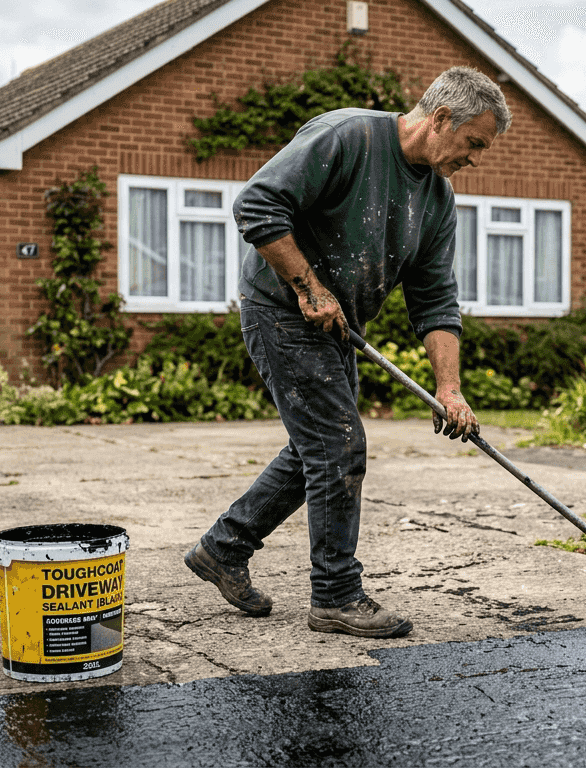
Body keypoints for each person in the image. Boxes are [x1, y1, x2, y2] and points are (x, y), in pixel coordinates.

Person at [184, 66, 513, 639]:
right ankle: (335, 595)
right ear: (440, 119)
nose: (476, 157)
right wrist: (308, 287)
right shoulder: (348, 137)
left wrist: (450, 388)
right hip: (282, 309)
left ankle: (222, 548)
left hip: (340, 327)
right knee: (337, 445)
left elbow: (435, 298)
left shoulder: (437, 198)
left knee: (315, 447)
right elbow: (258, 205)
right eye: (474, 143)